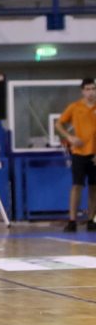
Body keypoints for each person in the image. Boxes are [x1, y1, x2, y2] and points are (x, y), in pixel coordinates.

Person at [55, 78, 96, 233]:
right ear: (82, 91)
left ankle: (91, 219)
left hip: (95, 154)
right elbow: (58, 124)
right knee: (77, 186)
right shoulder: (75, 107)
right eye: (88, 89)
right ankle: (72, 221)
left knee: (94, 188)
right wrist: (69, 137)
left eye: (93, 89)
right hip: (79, 153)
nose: (91, 92)